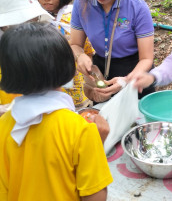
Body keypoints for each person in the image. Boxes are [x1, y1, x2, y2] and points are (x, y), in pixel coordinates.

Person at [0, 22, 112, 201]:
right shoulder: (81, 130)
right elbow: (95, 196)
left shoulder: (4, 126)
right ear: (68, 66)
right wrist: (97, 146)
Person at [70, 0, 155, 101]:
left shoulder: (137, 7)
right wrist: (80, 56)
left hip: (135, 70)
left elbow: (146, 59)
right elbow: (75, 44)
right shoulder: (81, 3)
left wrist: (126, 81)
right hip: (101, 72)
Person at [30, 0, 94, 109]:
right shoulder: (34, 20)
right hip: (47, 85)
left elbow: (88, 50)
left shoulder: (73, 16)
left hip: (76, 81)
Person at [0, 0, 54, 116]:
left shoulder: (40, 45)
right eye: (25, 22)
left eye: (34, 20)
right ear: (5, 25)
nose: (31, 27)